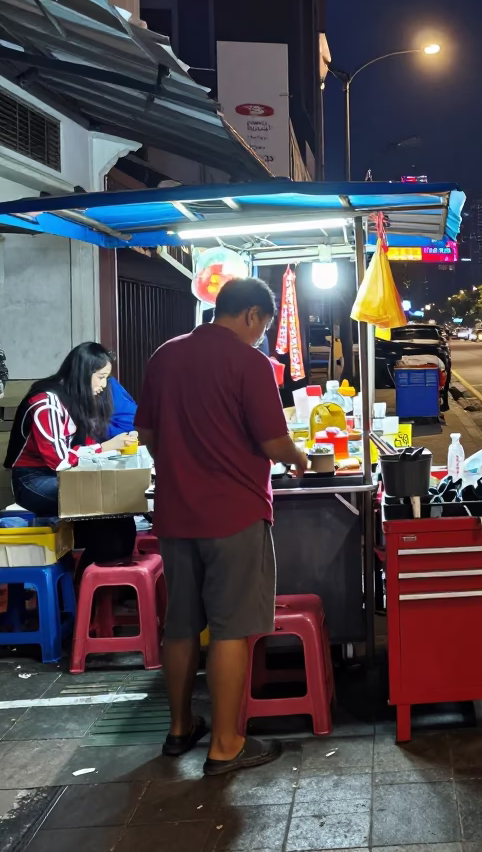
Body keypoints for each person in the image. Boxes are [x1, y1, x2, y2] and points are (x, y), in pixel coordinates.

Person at [136, 278, 308, 777]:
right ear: (252, 315)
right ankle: (227, 743)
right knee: (231, 628)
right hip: (233, 514)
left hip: (175, 513)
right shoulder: (249, 363)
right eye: (264, 327)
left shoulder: (165, 355)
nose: (261, 337)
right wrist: (299, 460)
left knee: (183, 624)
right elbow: (276, 443)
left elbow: (148, 434)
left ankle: (179, 727)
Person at [3, 343, 138, 566]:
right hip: (33, 481)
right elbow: (59, 461)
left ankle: (98, 588)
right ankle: (86, 586)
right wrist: (106, 447)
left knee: (120, 515)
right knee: (108, 501)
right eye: (101, 377)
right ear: (84, 373)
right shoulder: (47, 402)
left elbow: (84, 446)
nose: (104, 385)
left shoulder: (76, 400)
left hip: (62, 474)